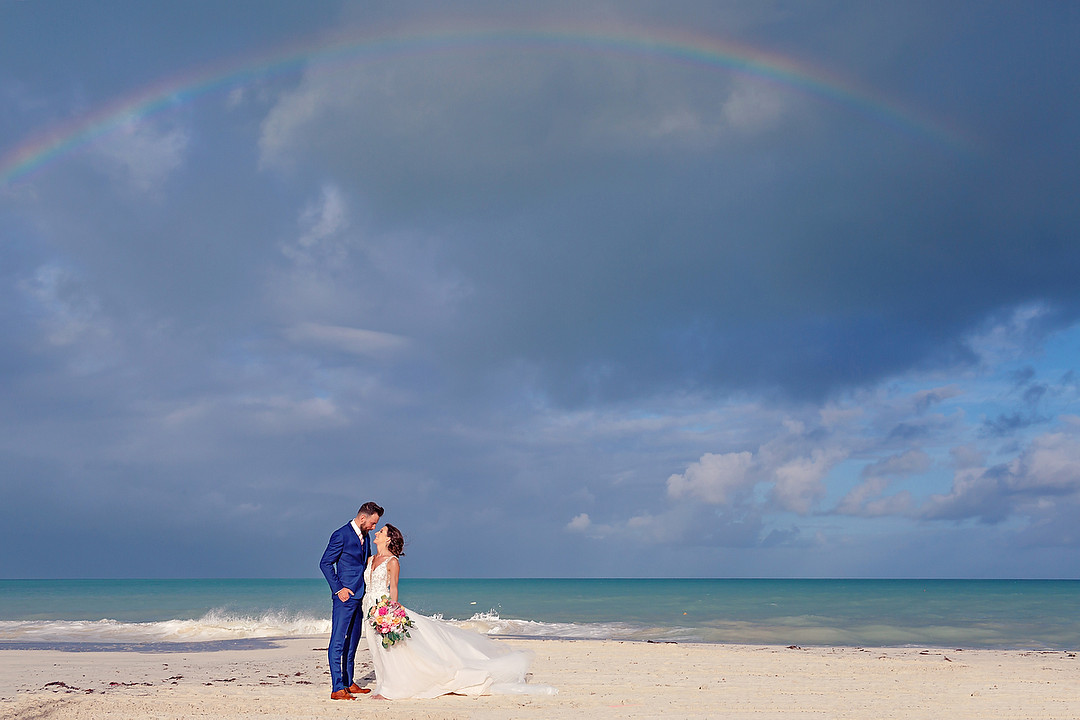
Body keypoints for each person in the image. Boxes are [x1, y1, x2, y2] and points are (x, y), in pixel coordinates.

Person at [361, 524, 556, 699]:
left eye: (381, 531)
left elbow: (393, 588)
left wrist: (392, 612)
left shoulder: (392, 562)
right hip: (368, 606)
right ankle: (382, 684)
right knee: (375, 647)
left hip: (384, 608)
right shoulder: (370, 559)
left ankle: (389, 688)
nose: (377, 533)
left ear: (388, 538)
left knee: (387, 648)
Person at [319, 501, 384, 700]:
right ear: (362, 517)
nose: (374, 528)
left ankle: (348, 682)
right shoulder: (340, 534)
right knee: (338, 642)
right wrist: (339, 589)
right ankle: (337, 687)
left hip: (360, 596)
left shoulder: (364, 536)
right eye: (372, 523)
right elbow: (325, 563)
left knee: (353, 641)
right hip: (344, 598)